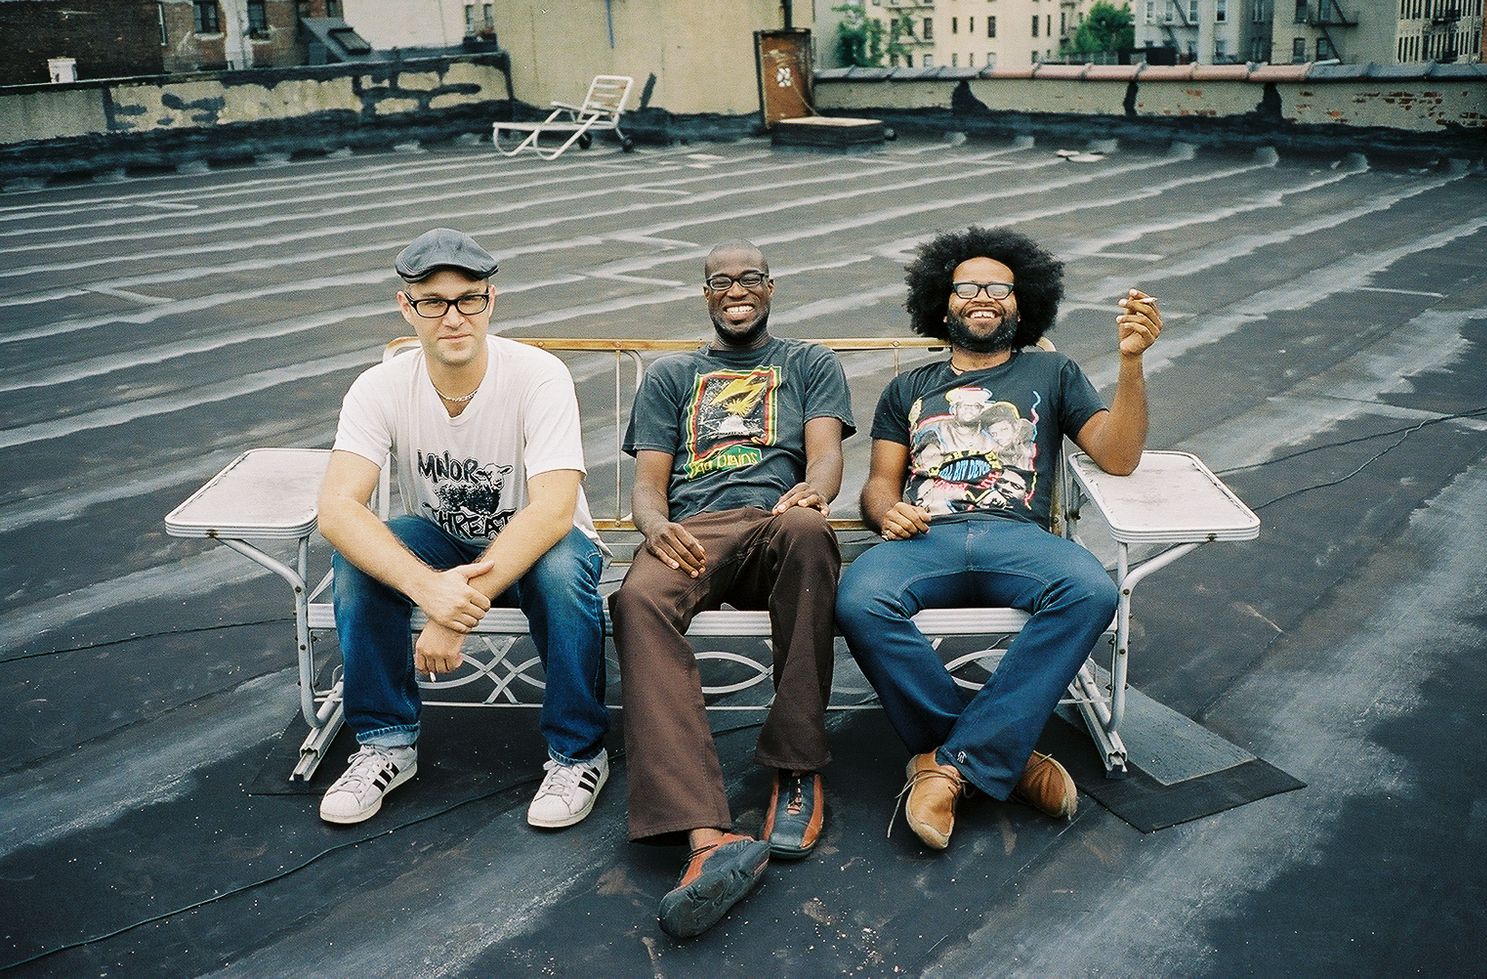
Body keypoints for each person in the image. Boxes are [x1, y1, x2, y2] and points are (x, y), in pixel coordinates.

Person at [834, 226, 1161, 850]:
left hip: (1017, 536)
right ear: (943, 304)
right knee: (858, 600)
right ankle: (1000, 757)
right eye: (967, 287)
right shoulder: (908, 389)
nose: (983, 297)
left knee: (1091, 590)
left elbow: (1118, 457)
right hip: (925, 537)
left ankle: (947, 767)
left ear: (1022, 302)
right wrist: (887, 512)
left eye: (999, 288)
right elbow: (878, 483)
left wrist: (1130, 363)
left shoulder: (1052, 372)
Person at [315, 228, 610, 829]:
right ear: (406, 307)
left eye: (468, 299)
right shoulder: (379, 387)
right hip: (443, 545)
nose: (453, 318)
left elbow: (553, 509)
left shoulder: (538, 375)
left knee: (560, 569)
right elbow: (338, 508)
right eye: (433, 302)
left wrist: (451, 613)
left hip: (540, 548)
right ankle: (386, 744)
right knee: (358, 557)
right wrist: (429, 588)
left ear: (490, 300)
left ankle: (577, 754)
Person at [610, 240, 855, 939]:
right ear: (706, 294)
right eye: (721, 281)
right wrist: (654, 526)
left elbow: (826, 454)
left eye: (750, 279)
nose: (736, 290)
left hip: (778, 521)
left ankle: (796, 769)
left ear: (771, 288)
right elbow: (649, 483)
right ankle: (704, 833)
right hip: (696, 532)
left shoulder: (807, 362)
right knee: (637, 601)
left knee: (810, 532)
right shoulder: (672, 375)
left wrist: (816, 491)